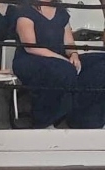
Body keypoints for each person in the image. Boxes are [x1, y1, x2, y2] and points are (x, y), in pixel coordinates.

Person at [13, 0, 105, 129]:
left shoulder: (61, 12)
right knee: (63, 70)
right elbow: (31, 47)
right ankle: (46, 120)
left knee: (101, 61)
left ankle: (86, 119)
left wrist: (74, 55)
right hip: (31, 59)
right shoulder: (25, 12)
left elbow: (69, 43)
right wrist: (62, 59)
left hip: (61, 60)